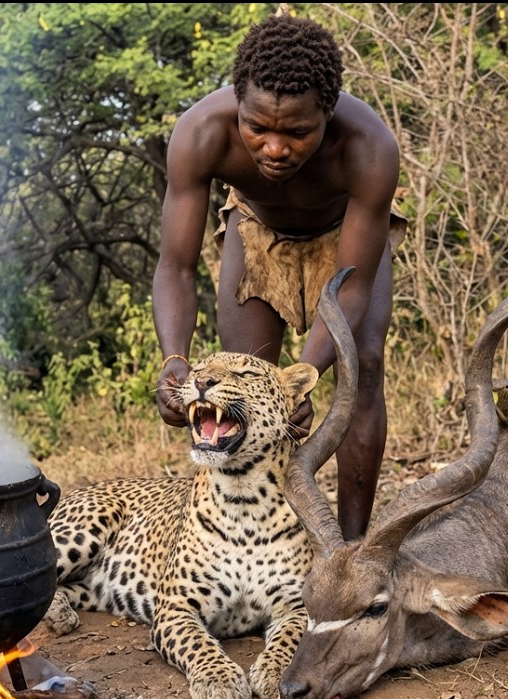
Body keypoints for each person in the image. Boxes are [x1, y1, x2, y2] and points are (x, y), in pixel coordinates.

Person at [152, 12, 404, 542]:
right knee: (241, 382)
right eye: (257, 127)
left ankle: (351, 548)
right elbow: (175, 265)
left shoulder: (369, 149)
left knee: (364, 369)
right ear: (237, 103)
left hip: (347, 242)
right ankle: (248, 550)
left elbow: (352, 286)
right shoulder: (200, 134)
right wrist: (174, 359)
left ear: (328, 114)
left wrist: (302, 378)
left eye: (297, 132)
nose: (273, 148)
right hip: (256, 230)